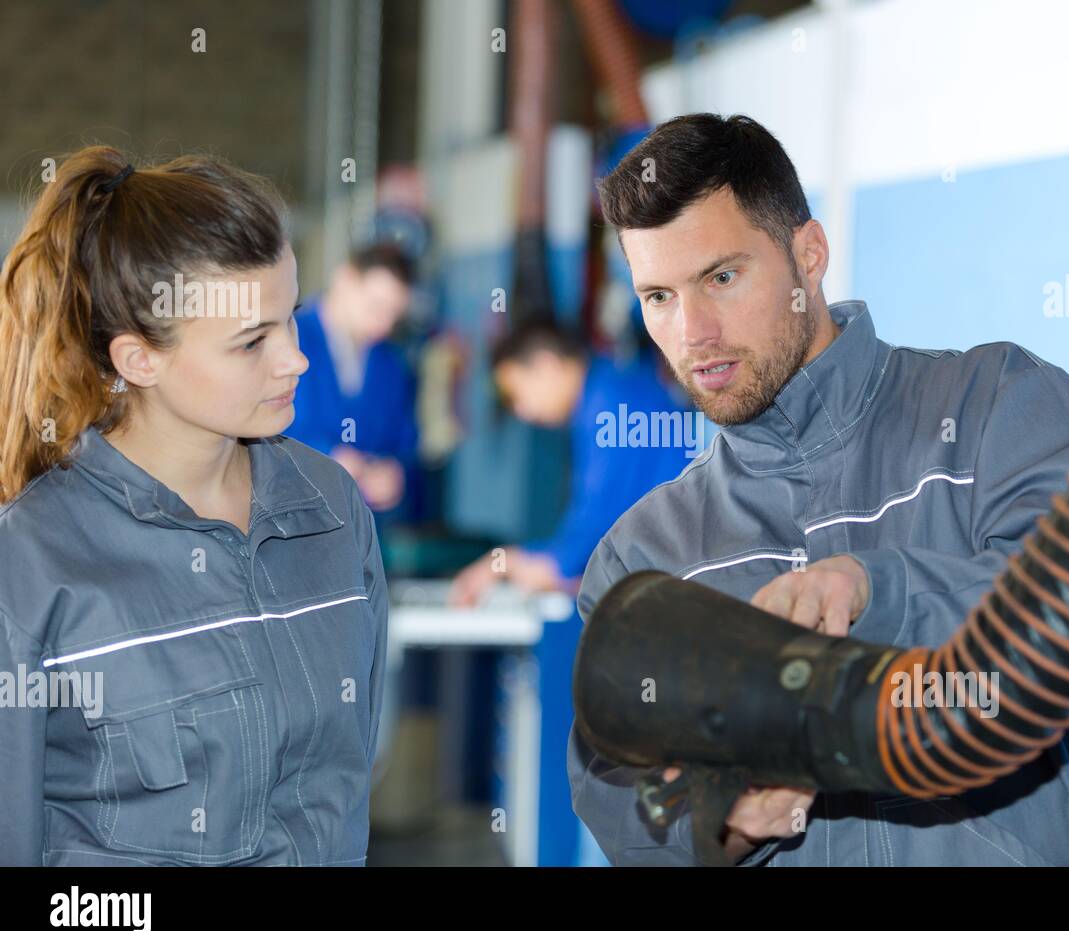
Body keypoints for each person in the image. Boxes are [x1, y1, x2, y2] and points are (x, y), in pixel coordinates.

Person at [568, 113, 1069, 866]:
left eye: (722, 277)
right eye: (659, 297)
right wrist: (724, 814)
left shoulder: (996, 409)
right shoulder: (645, 562)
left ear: (809, 255)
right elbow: (623, 803)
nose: (692, 331)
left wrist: (884, 594)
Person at [0, 147, 388, 866]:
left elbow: (350, 785)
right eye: (251, 342)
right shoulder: (28, 568)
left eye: (291, 319)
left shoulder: (332, 513)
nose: (295, 360)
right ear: (139, 360)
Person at [449, 319, 691, 604]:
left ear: (545, 365)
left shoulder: (610, 404)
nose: (522, 412)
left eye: (517, 395)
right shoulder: (604, 392)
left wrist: (522, 563)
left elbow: (597, 524)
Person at [285, 244, 419, 518]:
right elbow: (255, 433)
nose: (384, 324)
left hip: (357, 526)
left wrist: (393, 473)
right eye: (376, 306)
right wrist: (325, 459)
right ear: (344, 279)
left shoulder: (389, 364)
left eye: (394, 314)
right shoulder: (288, 338)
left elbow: (403, 440)